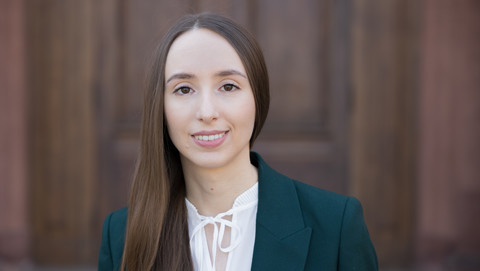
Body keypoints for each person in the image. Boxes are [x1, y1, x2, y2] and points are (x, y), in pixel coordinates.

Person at [98, 13, 378, 271]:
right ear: (160, 108)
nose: (207, 112)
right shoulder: (120, 235)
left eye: (228, 86)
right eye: (183, 89)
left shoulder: (336, 225)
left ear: (258, 98)